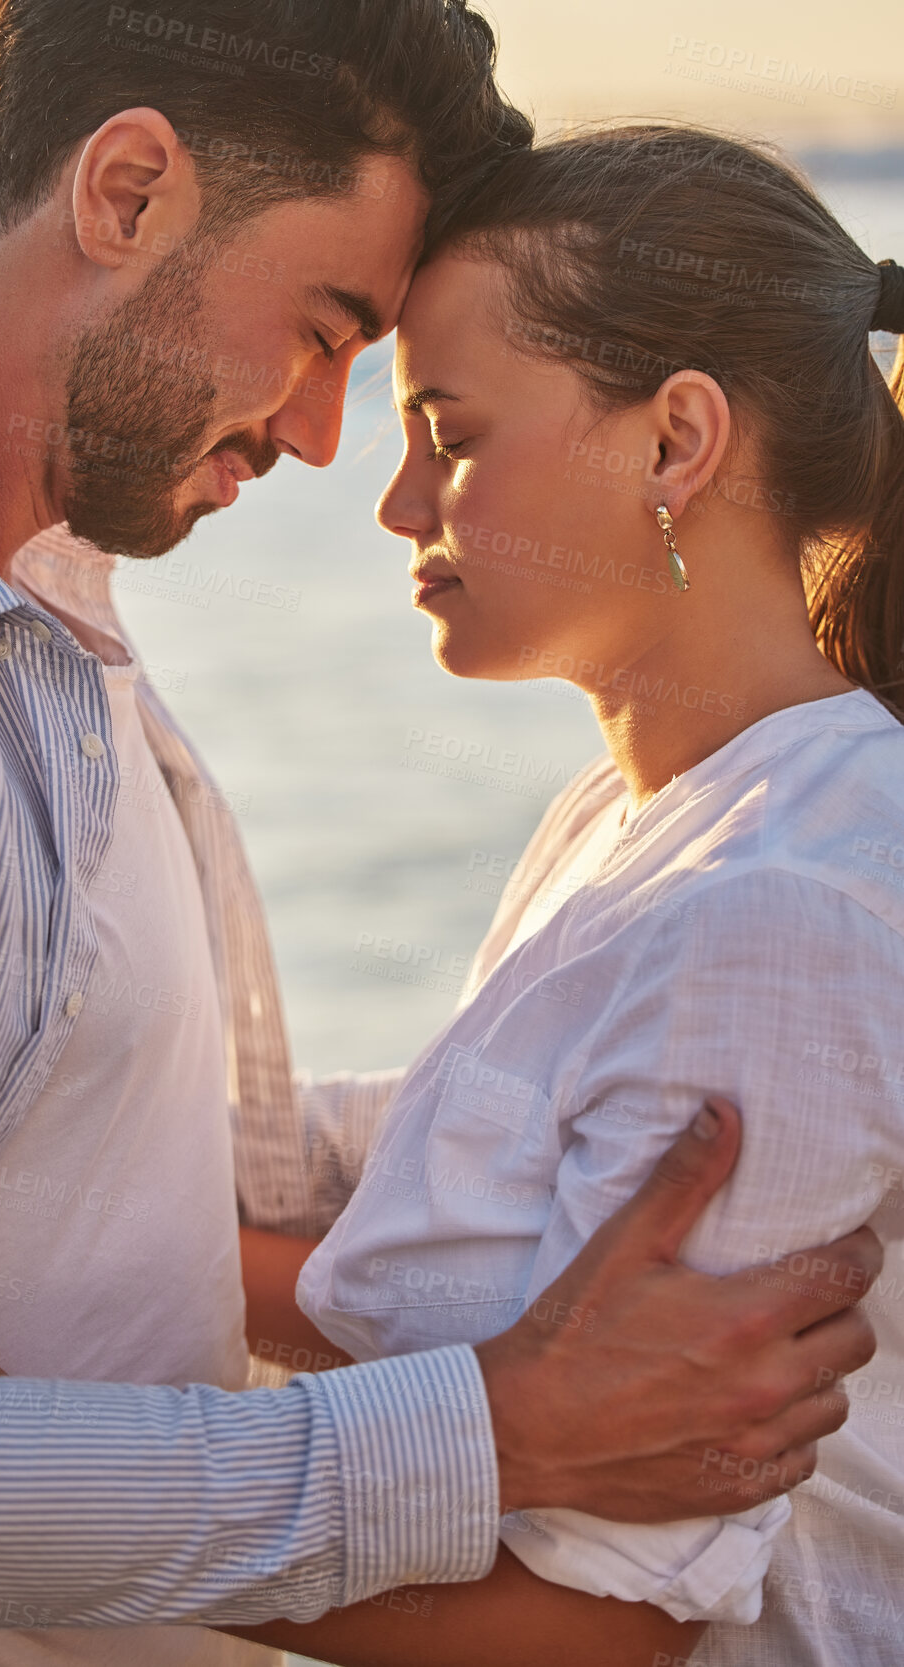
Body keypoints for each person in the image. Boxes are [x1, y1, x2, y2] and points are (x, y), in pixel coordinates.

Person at [0, 2, 879, 1662]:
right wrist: (495, 1429)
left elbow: (188, 1158)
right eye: (329, 329)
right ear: (126, 191)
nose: (334, 441)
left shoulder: (38, 617)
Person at [227, 126, 904, 1665]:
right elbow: (420, 1165)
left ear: (676, 442)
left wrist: (34, 1532)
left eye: (448, 437)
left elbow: (603, 1628)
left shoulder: (781, 912)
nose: (402, 508)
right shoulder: (648, 813)